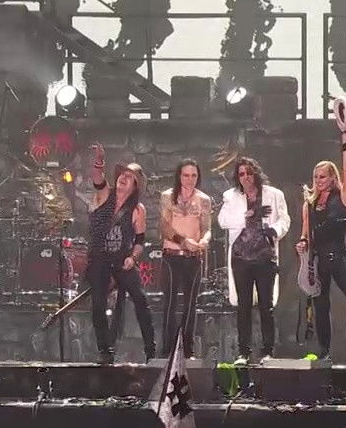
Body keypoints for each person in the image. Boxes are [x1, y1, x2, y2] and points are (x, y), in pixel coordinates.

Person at [296, 121, 346, 367]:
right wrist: (302, 244)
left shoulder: (344, 197)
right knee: (321, 306)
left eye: (323, 176)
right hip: (318, 260)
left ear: (332, 178)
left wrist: (345, 134)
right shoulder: (309, 203)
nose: (318, 180)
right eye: (315, 177)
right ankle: (325, 352)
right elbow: (305, 233)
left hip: (339, 256)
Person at [86, 145, 155, 364]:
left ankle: (151, 350)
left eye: (130, 177)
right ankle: (105, 351)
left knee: (140, 299)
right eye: (123, 174)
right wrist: (99, 160)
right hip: (99, 258)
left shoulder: (137, 209)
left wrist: (132, 258)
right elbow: (97, 178)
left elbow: (140, 241)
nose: (124, 178)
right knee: (98, 304)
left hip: (121, 260)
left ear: (135, 185)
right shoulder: (105, 194)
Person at [218, 157, 290, 365]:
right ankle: (244, 352)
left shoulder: (274, 194)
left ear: (255, 173)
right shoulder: (231, 196)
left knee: (266, 305)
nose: (246, 177)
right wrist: (247, 215)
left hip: (265, 256)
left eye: (249, 173)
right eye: (241, 174)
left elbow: (284, 219)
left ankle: (268, 351)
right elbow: (222, 221)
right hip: (241, 256)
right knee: (244, 306)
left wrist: (274, 230)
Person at [159, 159, 212, 359]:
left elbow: (207, 228)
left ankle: (187, 349)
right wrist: (183, 241)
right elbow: (164, 227)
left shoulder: (203, 199)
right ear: (179, 176)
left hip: (193, 256)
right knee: (170, 302)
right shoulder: (167, 196)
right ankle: (167, 349)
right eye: (186, 175)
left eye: (193, 175)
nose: (190, 179)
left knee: (191, 303)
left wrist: (204, 241)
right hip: (172, 255)